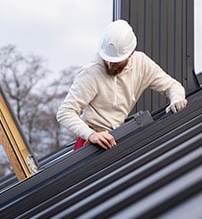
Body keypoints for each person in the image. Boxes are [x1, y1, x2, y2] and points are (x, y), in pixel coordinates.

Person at [56, 19, 188, 150]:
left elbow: (172, 86)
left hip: (117, 137)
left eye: (115, 61)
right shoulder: (91, 73)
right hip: (91, 143)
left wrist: (177, 99)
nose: (109, 64)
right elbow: (65, 112)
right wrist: (92, 135)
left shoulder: (141, 63)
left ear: (130, 54)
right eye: (107, 59)